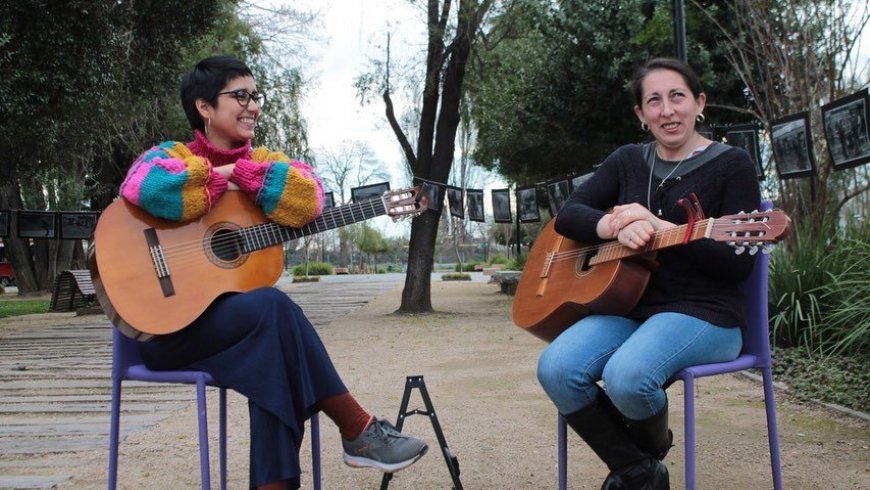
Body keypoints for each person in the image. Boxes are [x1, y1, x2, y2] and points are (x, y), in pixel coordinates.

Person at [118, 55, 428, 490]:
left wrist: (244, 172)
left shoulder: (268, 160)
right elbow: (145, 187)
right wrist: (222, 173)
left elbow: (309, 201)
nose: (253, 106)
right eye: (239, 96)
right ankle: (357, 428)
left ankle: (330, 450)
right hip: (167, 331)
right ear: (204, 107)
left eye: (255, 96)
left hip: (242, 334)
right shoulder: (171, 156)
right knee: (274, 311)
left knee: (274, 348)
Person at [536, 57, 761, 490]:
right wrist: (613, 224)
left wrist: (663, 229)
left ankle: (637, 465)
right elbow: (569, 215)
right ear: (641, 115)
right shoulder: (627, 161)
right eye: (653, 101)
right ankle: (642, 471)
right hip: (627, 307)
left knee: (627, 376)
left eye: (677, 97)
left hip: (705, 312)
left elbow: (737, 261)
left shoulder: (733, 165)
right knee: (557, 367)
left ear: (700, 103)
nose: (667, 111)